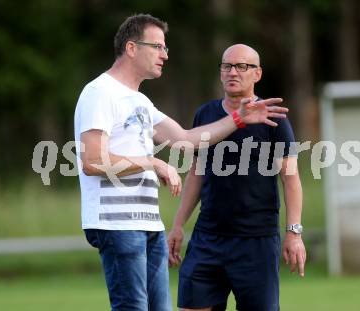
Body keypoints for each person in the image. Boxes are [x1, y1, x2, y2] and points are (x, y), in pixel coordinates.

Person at [74, 14, 289, 311]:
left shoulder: (139, 101)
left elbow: (186, 139)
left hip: (148, 225)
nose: (165, 54)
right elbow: (93, 161)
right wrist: (153, 163)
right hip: (118, 225)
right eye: (158, 46)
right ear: (132, 48)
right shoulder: (100, 93)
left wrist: (238, 119)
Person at [168, 44, 306, 311]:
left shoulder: (274, 118)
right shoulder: (205, 114)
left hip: (256, 241)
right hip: (208, 237)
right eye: (227, 66)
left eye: (242, 66)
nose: (233, 72)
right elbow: (197, 172)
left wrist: (294, 233)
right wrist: (177, 225)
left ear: (257, 74)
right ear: (220, 72)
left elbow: (291, 179)